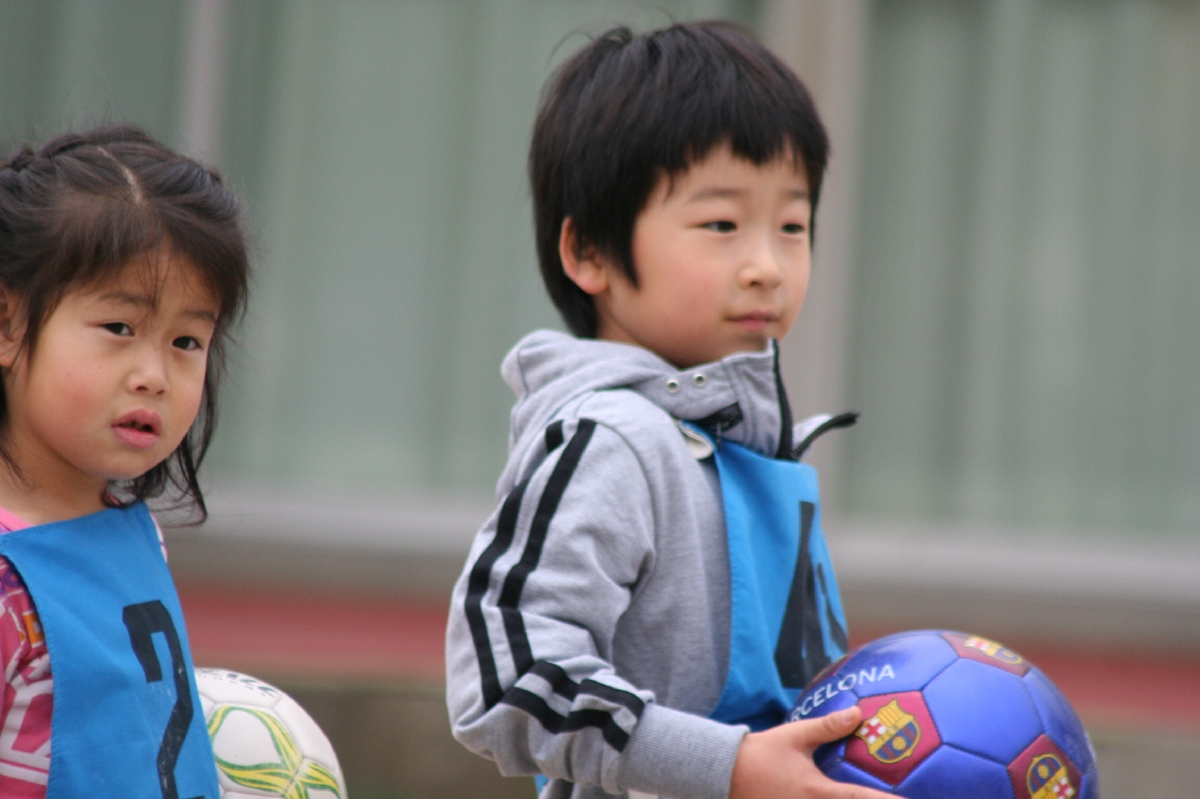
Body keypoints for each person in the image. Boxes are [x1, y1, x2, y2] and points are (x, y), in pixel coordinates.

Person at [445, 21, 891, 799]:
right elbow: (507, 676)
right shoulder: (613, 440)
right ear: (589, 252)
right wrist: (727, 765)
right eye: (722, 224)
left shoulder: (756, 448)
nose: (766, 266)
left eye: (792, 226)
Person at [0, 125, 249, 797]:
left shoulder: (137, 534)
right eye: (119, 328)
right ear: (8, 324)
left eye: (187, 341)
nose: (154, 376)